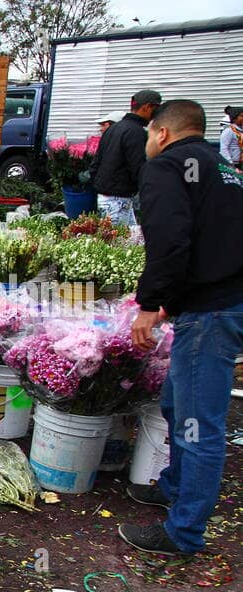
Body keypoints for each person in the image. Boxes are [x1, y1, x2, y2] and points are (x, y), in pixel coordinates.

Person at [119, 99, 243, 557]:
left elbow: (170, 240)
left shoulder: (167, 167)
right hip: (223, 298)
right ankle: (174, 486)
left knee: (197, 424)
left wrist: (151, 304)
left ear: (162, 133)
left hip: (212, 311)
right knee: (176, 402)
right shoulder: (224, 167)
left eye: (149, 135)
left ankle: (183, 532)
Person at [90, 88, 161, 228]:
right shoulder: (136, 132)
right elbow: (138, 167)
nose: (157, 115)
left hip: (107, 196)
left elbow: (96, 162)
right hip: (118, 198)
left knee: (129, 240)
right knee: (116, 244)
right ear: (147, 107)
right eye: (156, 109)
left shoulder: (113, 128)